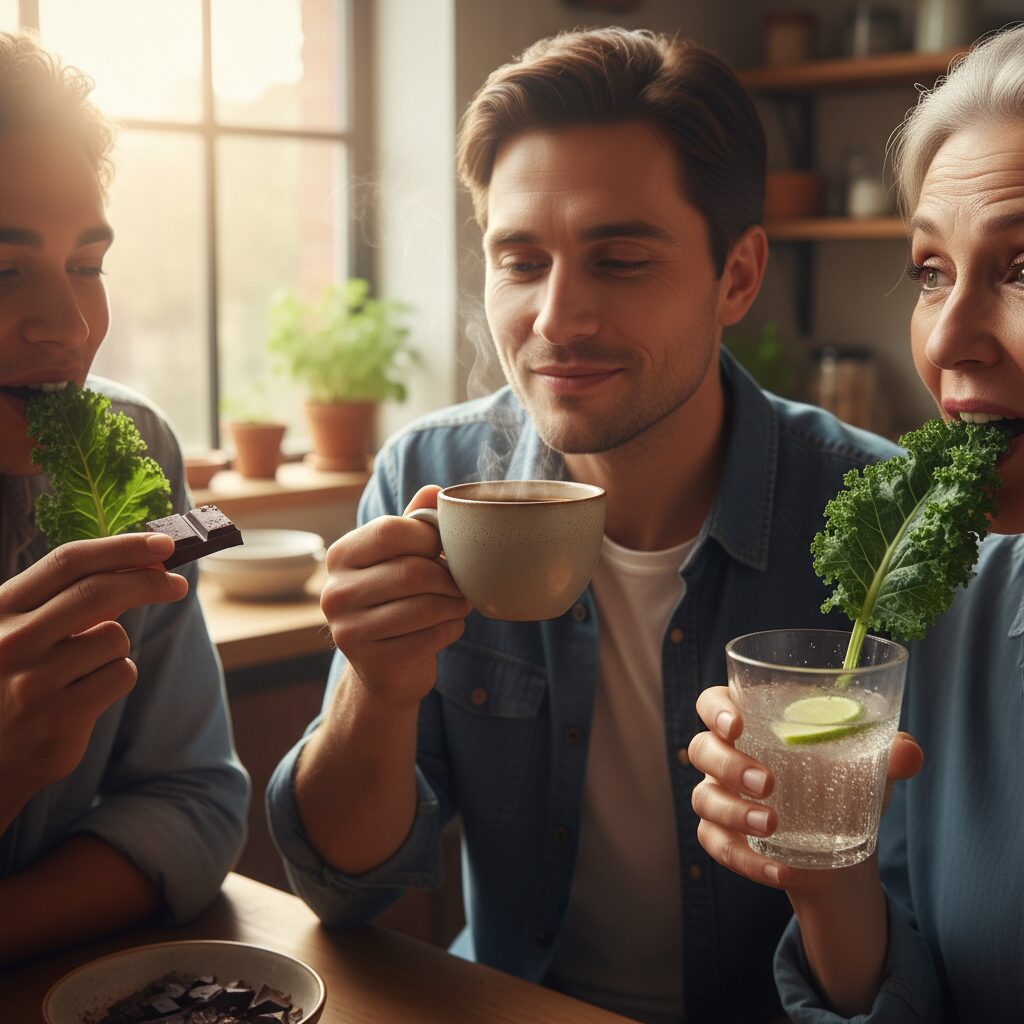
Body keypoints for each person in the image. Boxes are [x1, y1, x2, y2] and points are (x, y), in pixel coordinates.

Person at [267, 27, 900, 1024]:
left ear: (735, 277)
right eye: (520, 261)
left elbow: (922, 944)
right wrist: (377, 697)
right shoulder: (427, 480)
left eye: (619, 260)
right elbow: (346, 889)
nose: (555, 317)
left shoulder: (875, 520)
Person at [688, 24, 1024, 1024]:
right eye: (929, 271)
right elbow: (904, 979)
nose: (947, 337)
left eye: (1023, 268)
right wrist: (823, 867)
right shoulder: (957, 591)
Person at [0, 32, 249, 963]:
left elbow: (194, 801)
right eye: (3, 269)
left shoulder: (128, 452)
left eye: (87, 264)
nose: (68, 327)